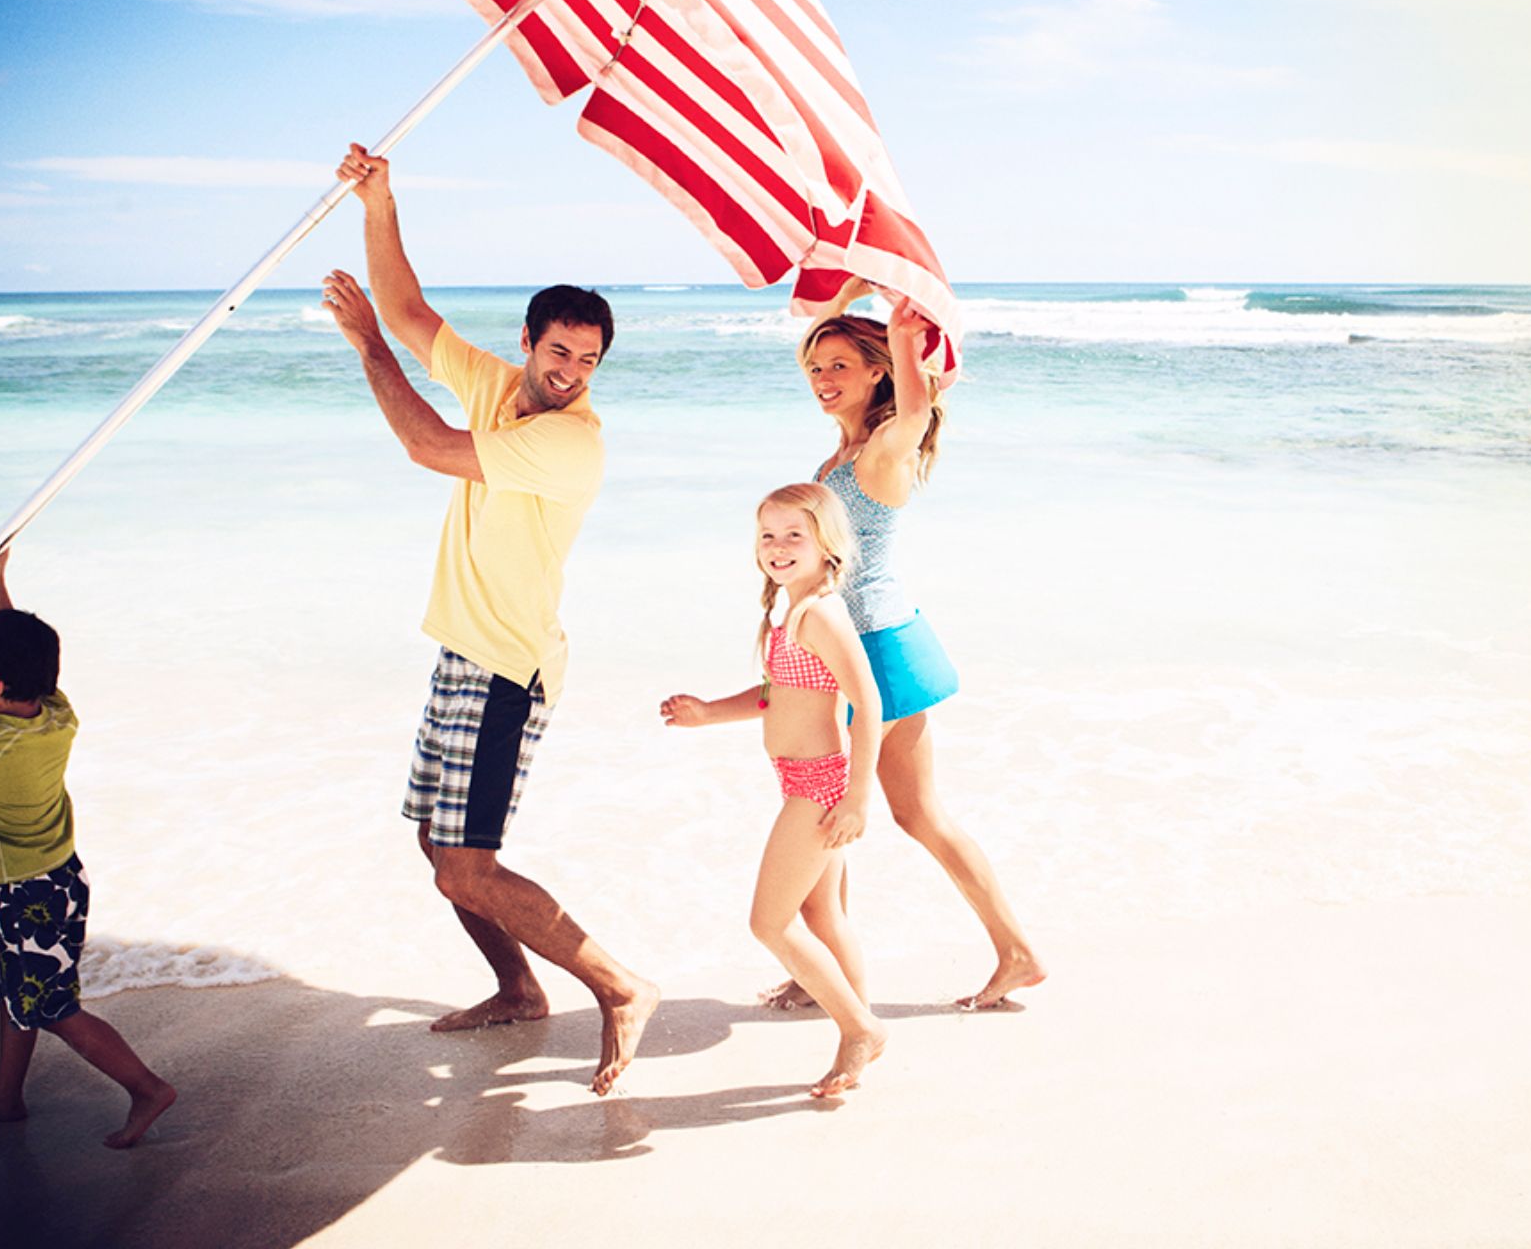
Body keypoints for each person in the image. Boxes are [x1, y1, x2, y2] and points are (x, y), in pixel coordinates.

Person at [323, 142, 657, 1096]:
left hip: (508, 668)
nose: (572, 372)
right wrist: (380, 201)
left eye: (589, 361)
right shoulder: (497, 387)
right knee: (438, 850)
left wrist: (366, 349)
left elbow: (427, 444)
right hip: (461, 655)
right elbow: (409, 308)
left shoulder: (569, 443)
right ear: (528, 341)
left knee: (469, 870)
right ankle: (519, 988)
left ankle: (619, 986)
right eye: (560, 352)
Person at [774, 288, 1045, 1010]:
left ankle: (837, 965)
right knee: (910, 812)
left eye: (839, 364)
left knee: (852, 803)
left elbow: (917, 411)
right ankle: (837, 961)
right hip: (872, 644)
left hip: (879, 651)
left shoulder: (884, 451)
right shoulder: (845, 451)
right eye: (814, 367)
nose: (824, 378)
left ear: (875, 373)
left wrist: (901, 334)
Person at [0, 542, 177, 1149]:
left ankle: (148, 1089)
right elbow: (22, 651)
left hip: (27, 893)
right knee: (14, 989)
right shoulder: (56, 713)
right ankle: (5, 1097)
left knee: (51, 1007)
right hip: (61, 879)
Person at [660, 483, 887, 1097]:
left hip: (821, 786)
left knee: (769, 922)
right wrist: (708, 711)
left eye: (795, 535)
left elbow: (869, 704)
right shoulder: (789, 611)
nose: (779, 547)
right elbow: (775, 696)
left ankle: (860, 1028)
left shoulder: (820, 613)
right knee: (822, 913)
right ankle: (854, 1020)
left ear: (826, 545)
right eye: (769, 535)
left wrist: (858, 798)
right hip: (804, 778)